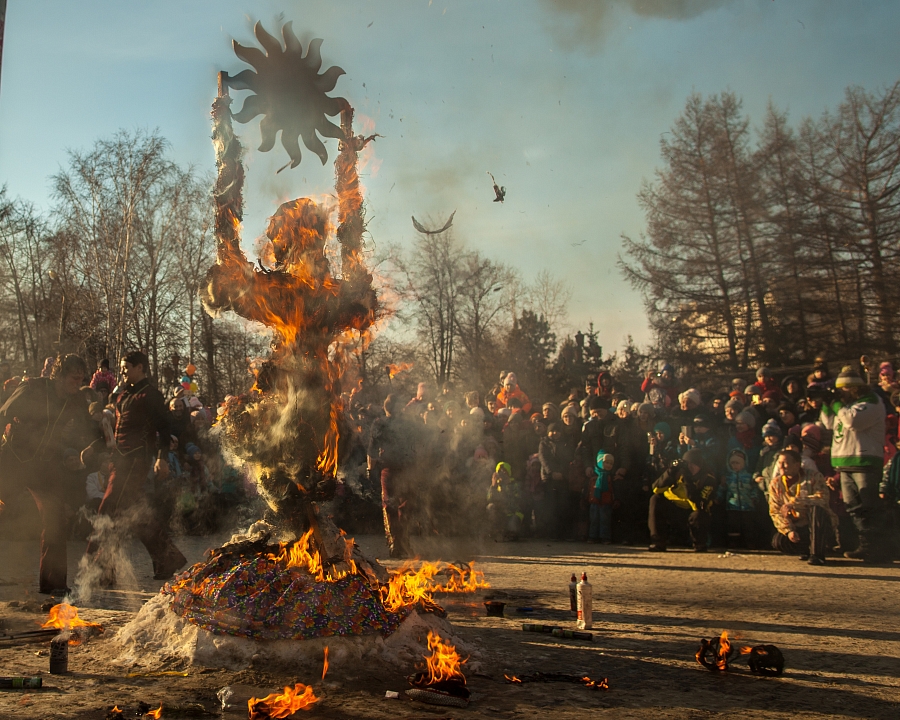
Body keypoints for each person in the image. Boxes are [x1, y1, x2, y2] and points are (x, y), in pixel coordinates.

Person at [82, 351, 186, 582]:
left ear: (140, 368)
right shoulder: (124, 395)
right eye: (122, 367)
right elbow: (116, 429)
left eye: (126, 367)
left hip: (136, 461)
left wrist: (162, 458)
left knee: (108, 508)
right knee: (135, 514)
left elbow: (165, 428)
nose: (122, 371)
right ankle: (167, 559)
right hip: (119, 460)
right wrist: (95, 446)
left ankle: (95, 568)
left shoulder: (151, 395)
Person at [0, 354, 94, 594]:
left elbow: (86, 431)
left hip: (44, 466)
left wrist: (81, 450)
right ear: (60, 376)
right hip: (13, 460)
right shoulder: (32, 387)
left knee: (54, 519)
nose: (78, 383)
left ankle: (54, 584)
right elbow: (4, 414)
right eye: (74, 378)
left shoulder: (75, 401)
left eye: (81, 378)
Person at [820, 365, 887, 562]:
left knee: (869, 505)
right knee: (853, 507)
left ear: (855, 388)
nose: (841, 393)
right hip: (845, 461)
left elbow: (852, 422)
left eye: (844, 389)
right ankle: (864, 546)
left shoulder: (871, 402)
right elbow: (830, 424)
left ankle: (878, 547)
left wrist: (837, 404)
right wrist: (826, 404)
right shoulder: (845, 406)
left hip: (864, 460)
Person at [768, 449, 834, 565]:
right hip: (796, 523)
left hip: (815, 524)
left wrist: (795, 502)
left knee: (817, 510)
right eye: (779, 463)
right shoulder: (775, 483)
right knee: (779, 541)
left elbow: (822, 498)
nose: (781, 466)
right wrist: (789, 530)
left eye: (785, 463)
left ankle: (817, 554)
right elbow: (775, 510)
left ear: (797, 465)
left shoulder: (814, 476)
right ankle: (805, 550)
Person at [368, 394, 414, 558]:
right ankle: (404, 543)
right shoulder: (408, 425)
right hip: (406, 469)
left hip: (388, 469)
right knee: (404, 506)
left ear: (385, 407)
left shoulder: (379, 424)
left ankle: (395, 544)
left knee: (389, 505)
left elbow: (372, 451)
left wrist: (370, 469)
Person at [648, 448, 717, 552]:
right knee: (655, 499)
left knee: (699, 514)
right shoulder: (677, 474)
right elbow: (656, 489)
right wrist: (669, 472)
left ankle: (699, 544)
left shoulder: (708, 479)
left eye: (694, 464)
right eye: (688, 464)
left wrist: (688, 483)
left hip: (692, 511)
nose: (691, 467)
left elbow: (698, 505)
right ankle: (658, 542)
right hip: (674, 508)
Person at [486, 461, 523, 541]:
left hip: (513, 513)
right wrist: (493, 486)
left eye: (504, 471)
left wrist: (507, 485)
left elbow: (517, 500)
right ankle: (496, 532)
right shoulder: (495, 485)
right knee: (490, 506)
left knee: (512, 527)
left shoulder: (515, 484)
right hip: (501, 514)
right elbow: (489, 499)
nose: (502, 474)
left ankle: (511, 534)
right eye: (499, 472)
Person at [588, 452, 614, 543]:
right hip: (594, 501)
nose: (608, 465)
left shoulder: (611, 477)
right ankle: (592, 536)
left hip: (606, 502)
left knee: (605, 520)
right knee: (594, 520)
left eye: (611, 464)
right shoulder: (594, 476)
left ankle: (605, 537)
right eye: (606, 462)